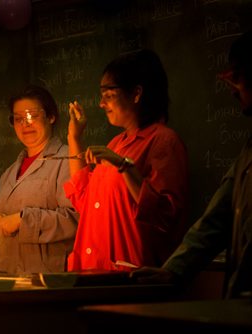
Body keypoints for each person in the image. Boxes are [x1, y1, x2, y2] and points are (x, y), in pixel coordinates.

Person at [131, 31, 252, 299]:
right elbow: (217, 218)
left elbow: (166, 211)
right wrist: (174, 270)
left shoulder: (164, 141)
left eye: (238, 78)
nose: (232, 90)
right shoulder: (248, 152)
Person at [65, 49, 189, 272]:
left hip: (127, 278)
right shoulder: (116, 144)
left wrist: (124, 166)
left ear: (136, 93)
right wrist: (74, 138)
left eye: (109, 95)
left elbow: (165, 216)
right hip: (92, 272)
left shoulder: (163, 141)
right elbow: (85, 201)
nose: (101, 104)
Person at [0, 84, 79, 276]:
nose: (25, 124)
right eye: (18, 119)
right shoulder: (9, 173)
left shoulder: (68, 160)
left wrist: (22, 221)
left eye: (31, 116)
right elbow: (5, 223)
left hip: (49, 279)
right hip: (8, 277)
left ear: (51, 116)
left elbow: (76, 220)